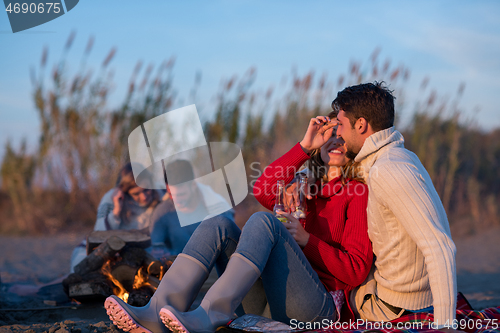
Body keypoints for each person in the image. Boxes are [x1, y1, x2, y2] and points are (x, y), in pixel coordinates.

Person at [104, 112, 373, 333]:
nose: (336, 140)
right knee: (217, 224)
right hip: (270, 302)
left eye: (342, 135)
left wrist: (306, 240)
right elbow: (263, 189)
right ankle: (156, 310)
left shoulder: (357, 193)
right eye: (330, 133)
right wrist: (304, 147)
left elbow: (357, 270)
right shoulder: (303, 188)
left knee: (263, 222)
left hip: (318, 308)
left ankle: (209, 314)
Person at [331, 82, 457, 329]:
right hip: (398, 295)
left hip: (392, 306)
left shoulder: (388, 169)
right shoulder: (397, 158)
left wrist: (445, 325)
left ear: (361, 125)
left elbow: (440, 246)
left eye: (341, 125)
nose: (338, 133)